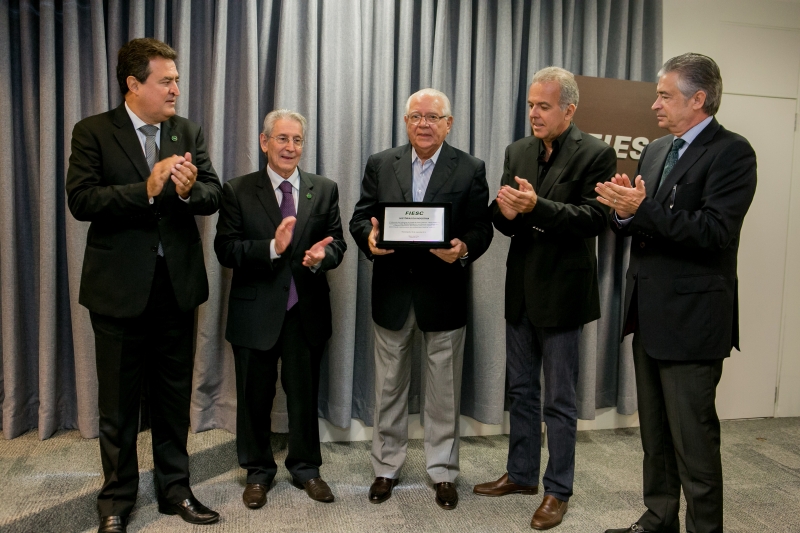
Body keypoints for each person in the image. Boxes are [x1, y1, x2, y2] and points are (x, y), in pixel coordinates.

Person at [65, 38, 222, 533]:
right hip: (117, 290)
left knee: (174, 398)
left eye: (176, 79)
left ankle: (176, 489)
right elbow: (82, 201)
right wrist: (147, 189)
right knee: (117, 402)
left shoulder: (186, 131)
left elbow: (213, 194)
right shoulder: (92, 132)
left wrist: (188, 189)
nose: (177, 88)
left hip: (175, 288)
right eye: (166, 80)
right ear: (134, 85)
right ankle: (115, 500)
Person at [596, 53, 757, 533]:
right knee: (656, 436)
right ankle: (658, 518)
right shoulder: (657, 150)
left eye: (665, 95)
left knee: (694, 442)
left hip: (693, 322)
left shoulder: (733, 152)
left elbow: (714, 232)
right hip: (648, 314)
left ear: (699, 99)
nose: (655, 105)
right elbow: (640, 224)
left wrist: (641, 210)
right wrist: (624, 212)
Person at [473, 67, 616, 530]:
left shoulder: (596, 153)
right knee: (520, 390)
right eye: (531, 104)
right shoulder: (518, 150)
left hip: (565, 293)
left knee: (559, 398)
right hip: (521, 290)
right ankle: (521, 475)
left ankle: (557, 490)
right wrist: (504, 210)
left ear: (568, 110)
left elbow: (594, 218)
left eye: (543, 106)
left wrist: (538, 208)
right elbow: (505, 218)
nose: (533, 113)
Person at [349, 88, 493, 510]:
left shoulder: (470, 168)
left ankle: (443, 473)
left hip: (443, 295)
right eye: (416, 116)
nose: (424, 124)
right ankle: (385, 468)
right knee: (388, 387)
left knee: (444, 392)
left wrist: (463, 248)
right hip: (392, 293)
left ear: (449, 123)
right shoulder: (381, 163)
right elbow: (361, 216)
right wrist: (369, 237)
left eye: (433, 116)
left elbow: (481, 228)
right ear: (406, 122)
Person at [215, 109, 346, 509]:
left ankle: (306, 468)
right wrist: (273, 248)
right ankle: (258, 472)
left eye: (298, 140)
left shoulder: (323, 189)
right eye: (283, 139)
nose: (291, 147)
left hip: (305, 311)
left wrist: (322, 257)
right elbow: (226, 249)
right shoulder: (237, 189)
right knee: (254, 396)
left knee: (304, 395)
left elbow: (337, 243)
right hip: (255, 313)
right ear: (264, 142)